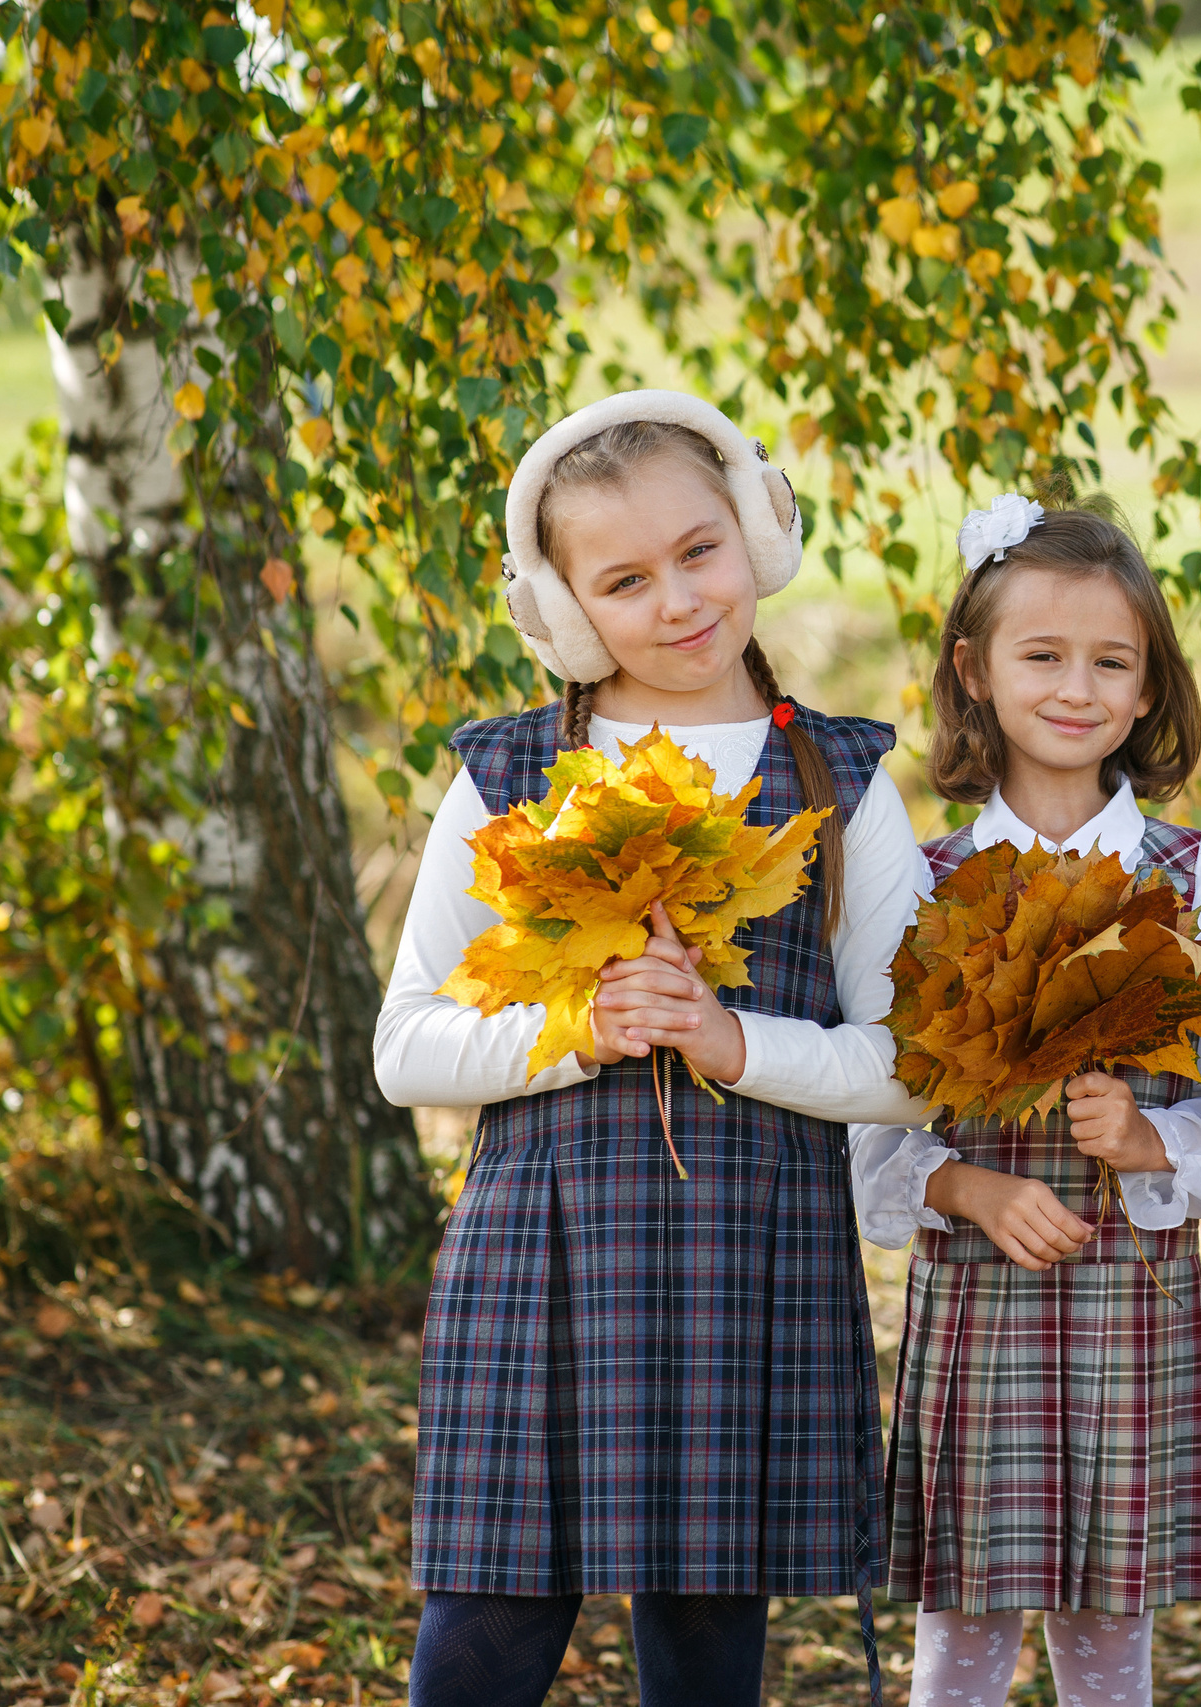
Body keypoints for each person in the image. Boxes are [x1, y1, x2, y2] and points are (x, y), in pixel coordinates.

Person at [374, 391, 934, 1707]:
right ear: (564, 610)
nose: (677, 599)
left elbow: (913, 1061)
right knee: (489, 1623)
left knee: (703, 1632)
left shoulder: (843, 783)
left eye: (700, 550)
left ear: (757, 533)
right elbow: (407, 1045)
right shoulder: (515, 773)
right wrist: (581, 1028)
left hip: (752, 1251)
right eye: (623, 580)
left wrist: (734, 1040)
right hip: (546, 1253)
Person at [853, 494, 1201, 1707]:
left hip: (1128, 1306)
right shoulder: (924, 883)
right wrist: (966, 1185)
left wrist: (1147, 1140)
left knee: (1106, 1635)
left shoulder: (1200, 878)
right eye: (1042, 655)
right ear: (974, 672)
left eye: (1110, 661)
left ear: (1147, 690)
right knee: (962, 1635)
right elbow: (873, 1135)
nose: (1075, 686)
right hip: (980, 1307)